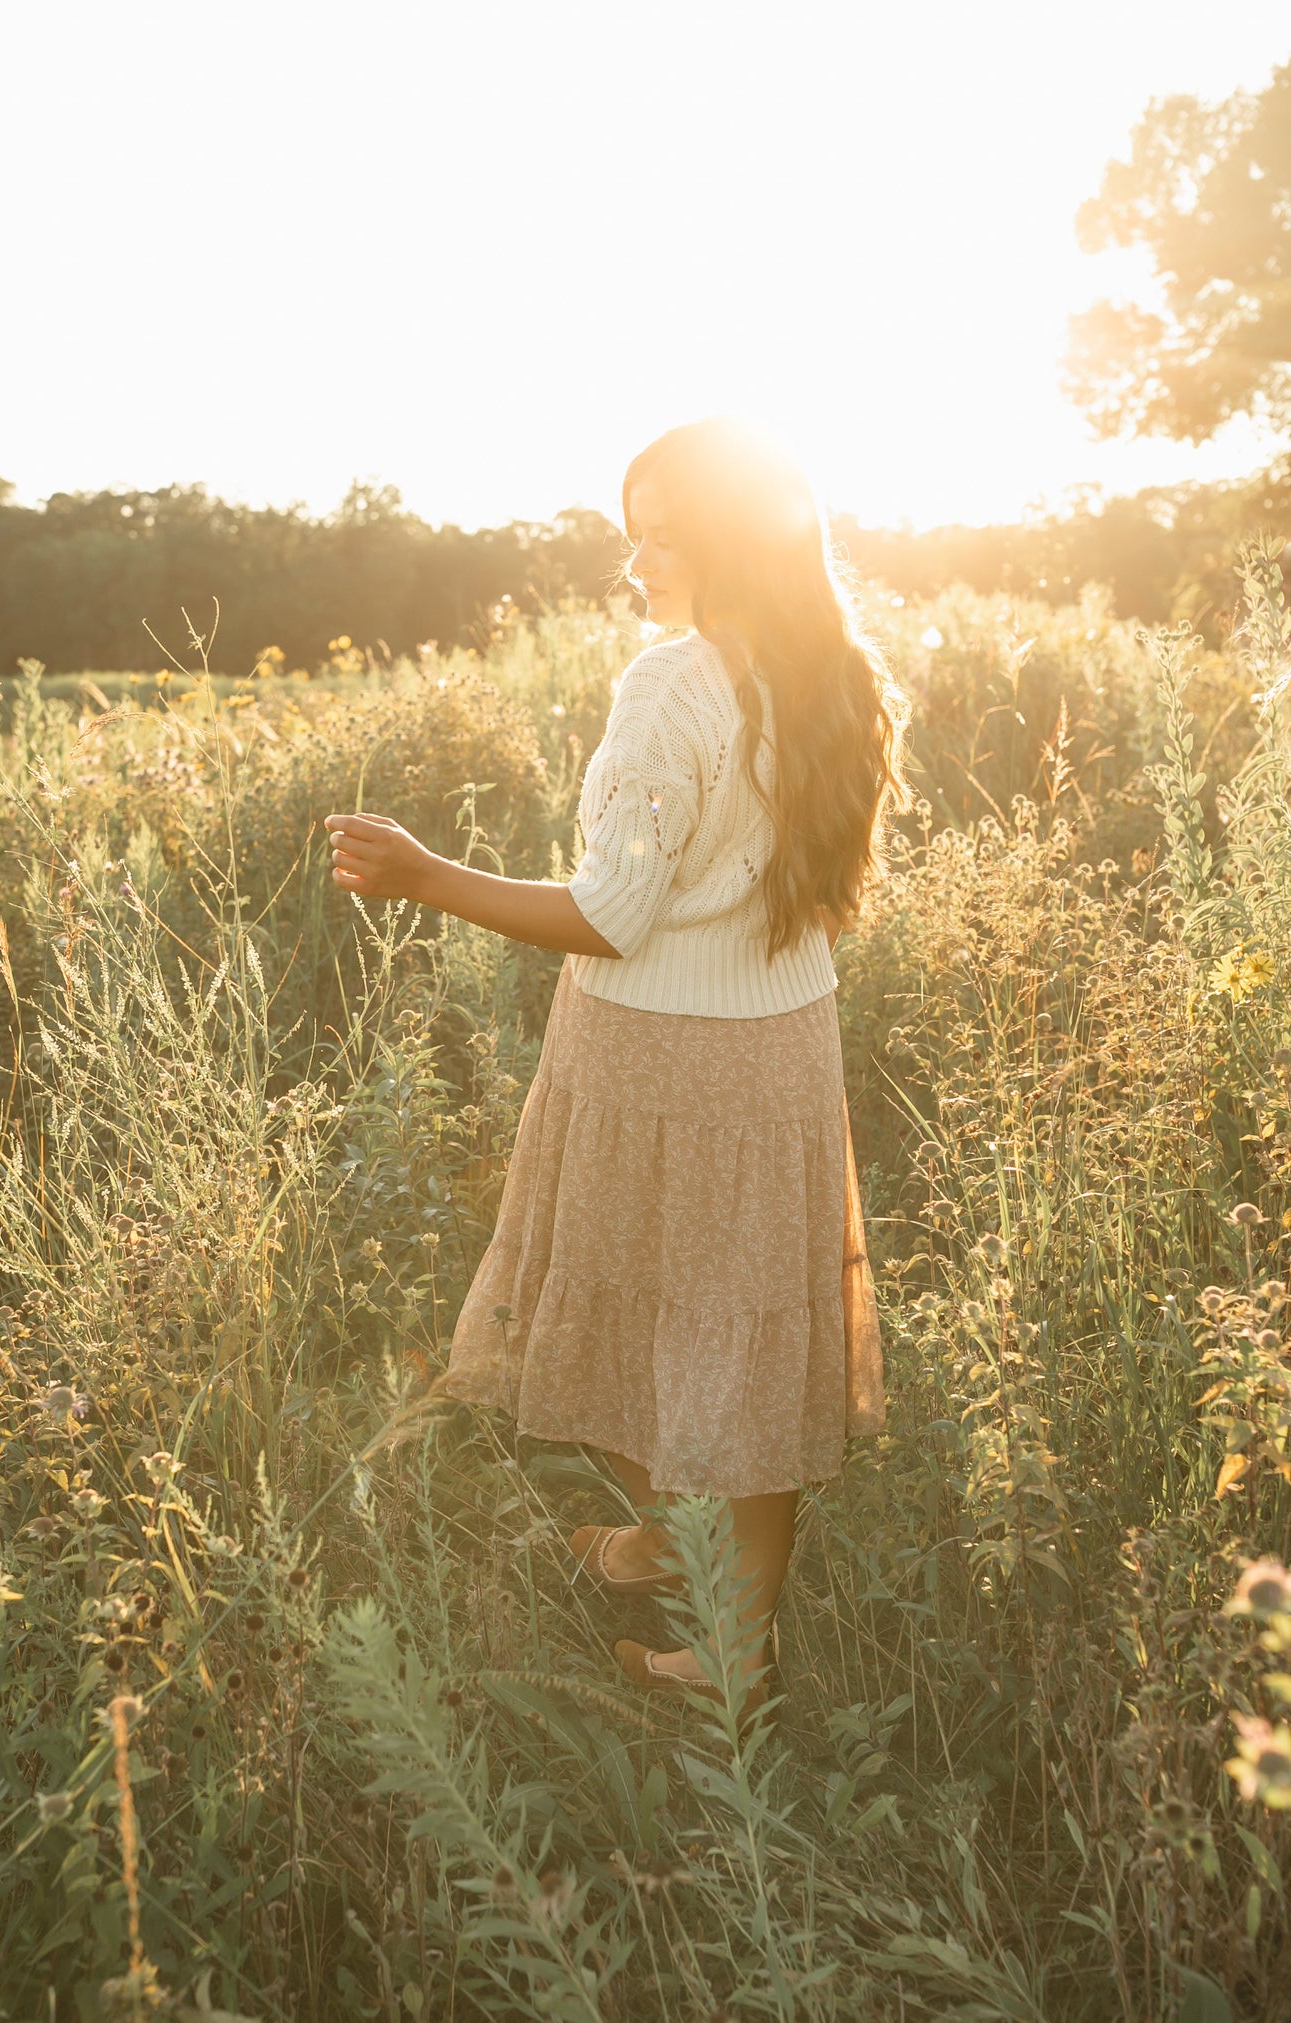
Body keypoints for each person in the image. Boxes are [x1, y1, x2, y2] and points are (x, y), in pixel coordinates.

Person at [326, 416, 910, 1720]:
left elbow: (611, 914)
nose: (635, 565)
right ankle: (690, 1588)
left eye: (660, 536)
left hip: (655, 1054)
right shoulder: (835, 671)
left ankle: (710, 1639)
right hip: (780, 1055)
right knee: (740, 1343)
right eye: (628, 535)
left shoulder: (671, 682)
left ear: (725, 544)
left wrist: (423, 874)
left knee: (632, 1315)